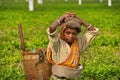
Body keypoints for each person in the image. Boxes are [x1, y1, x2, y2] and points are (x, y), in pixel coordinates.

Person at [46, 12, 99, 80]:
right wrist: (61, 18)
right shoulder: (57, 43)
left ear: (76, 34)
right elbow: (51, 29)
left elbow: (94, 31)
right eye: (68, 33)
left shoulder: (79, 42)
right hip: (59, 77)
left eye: (73, 33)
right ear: (63, 32)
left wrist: (80, 20)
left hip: (74, 76)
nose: (71, 36)